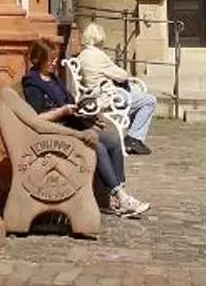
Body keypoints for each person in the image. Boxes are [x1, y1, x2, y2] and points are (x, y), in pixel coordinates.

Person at [21, 39, 148, 218]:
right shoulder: (33, 84)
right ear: (38, 60)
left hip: (72, 124)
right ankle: (121, 196)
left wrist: (88, 118)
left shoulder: (54, 79)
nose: (54, 62)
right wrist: (62, 111)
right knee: (98, 146)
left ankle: (116, 196)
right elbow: (36, 118)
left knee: (113, 142)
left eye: (55, 58)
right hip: (56, 131)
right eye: (50, 59)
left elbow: (71, 103)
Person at [75, 20, 158, 154]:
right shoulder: (98, 56)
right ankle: (133, 138)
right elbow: (122, 75)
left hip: (92, 95)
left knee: (134, 90)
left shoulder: (82, 55)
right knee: (149, 100)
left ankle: (133, 137)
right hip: (107, 97)